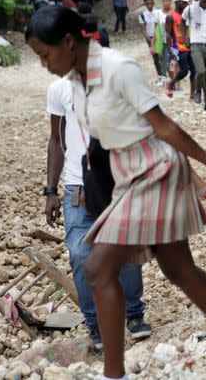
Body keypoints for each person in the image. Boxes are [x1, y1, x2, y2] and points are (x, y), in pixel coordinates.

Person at [25, 6, 206, 380]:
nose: (43, 64)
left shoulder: (118, 69)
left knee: (99, 269)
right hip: (128, 176)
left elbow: (164, 127)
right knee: (178, 268)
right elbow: (98, 145)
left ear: (69, 41)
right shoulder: (76, 79)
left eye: (44, 55)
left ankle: (114, 375)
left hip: (157, 171)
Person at [44, 77, 151, 349]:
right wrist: (51, 190)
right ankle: (94, 323)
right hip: (76, 188)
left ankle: (134, 314)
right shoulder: (59, 89)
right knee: (80, 254)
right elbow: (56, 140)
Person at [164, 0, 195, 99]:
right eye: (184, 3)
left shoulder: (186, 14)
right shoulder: (170, 16)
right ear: (178, 3)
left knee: (194, 71)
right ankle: (171, 83)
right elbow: (167, 33)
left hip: (190, 46)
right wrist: (169, 50)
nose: (187, 4)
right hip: (179, 48)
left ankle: (192, 95)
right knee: (184, 71)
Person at [139, 0, 165, 82]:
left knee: (162, 56)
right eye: (147, 4)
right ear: (145, 5)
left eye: (150, 3)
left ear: (153, 3)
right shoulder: (142, 15)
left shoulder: (158, 12)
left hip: (159, 37)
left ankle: (164, 74)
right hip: (149, 38)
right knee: (155, 58)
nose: (149, 5)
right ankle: (160, 75)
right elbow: (143, 29)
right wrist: (150, 41)